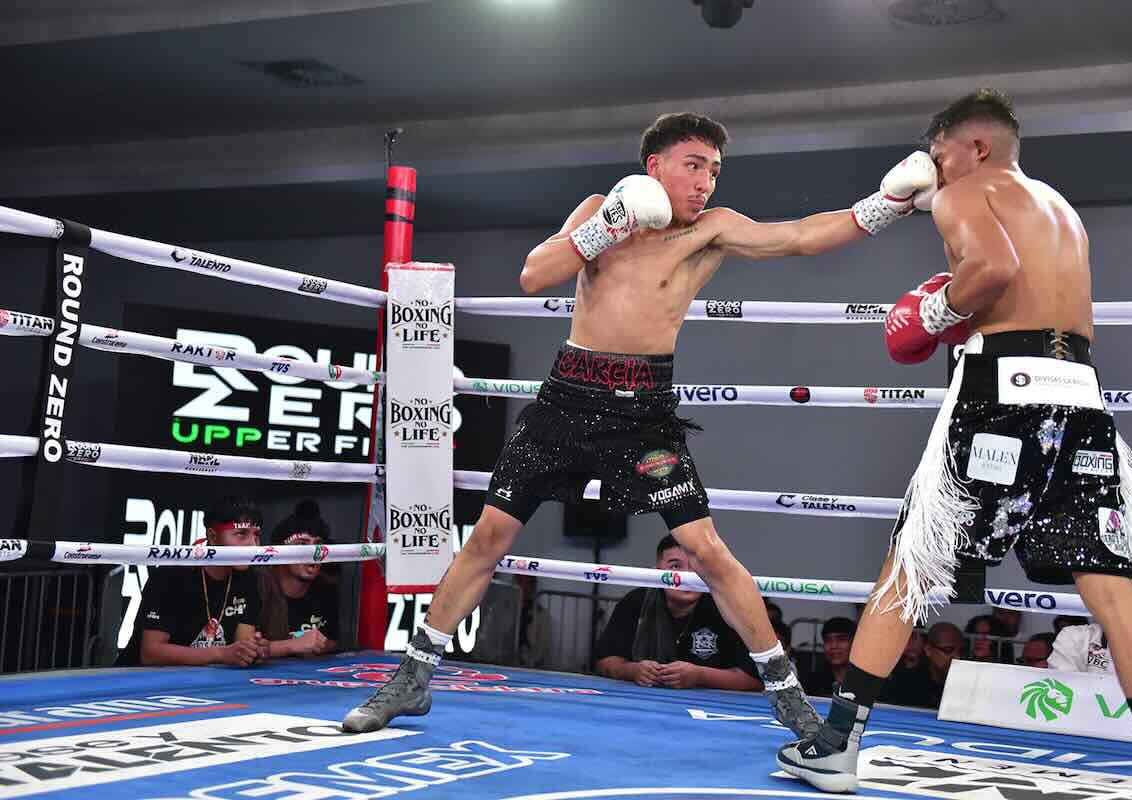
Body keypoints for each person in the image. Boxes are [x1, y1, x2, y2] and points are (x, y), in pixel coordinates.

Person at [342, 111, 937, 735]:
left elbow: (797, 237)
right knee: (489, 535)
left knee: (705, 549)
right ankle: (412, 679)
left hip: (643, 413)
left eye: (713, 169)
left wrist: (884, 205)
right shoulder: (602, 208)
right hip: (567, 400)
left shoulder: (712, 230)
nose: (705, 181)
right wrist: (605, 227)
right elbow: (533, 274)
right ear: (654, 166)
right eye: (693, 165)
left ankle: (789, 697)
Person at [777, 89, 1132, 800]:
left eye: (939, 155)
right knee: (1115, 593)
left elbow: (992, 270)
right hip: (1082, 402)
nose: (934, 171)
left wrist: (934, 313)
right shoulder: (1058, 208)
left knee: (909, 567)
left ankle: (837, 745)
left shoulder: (967, 192)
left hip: (1004, 392)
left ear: (974, 147)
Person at [594, 535, 761, 691]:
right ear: (657, 571)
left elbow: (755, 679)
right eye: (675, 566)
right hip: (645, 704)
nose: (687, 577)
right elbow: (604, 662)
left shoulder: (726, 607)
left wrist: (700, 675)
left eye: (696, 567)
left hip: (712, 708)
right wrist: (631, 670)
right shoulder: (635, 601)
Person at [117, 496, 268, 667]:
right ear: (213, 536)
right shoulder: (171, 575)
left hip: (204, 682)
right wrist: (220, 653)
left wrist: (253, 651)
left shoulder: (248, 577)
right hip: (140, 680)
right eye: (241, 534)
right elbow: (151, 653)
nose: (253, 545)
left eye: (256, 535)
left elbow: (242, 646)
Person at [258, 500, 340, 657]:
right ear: (280, 551)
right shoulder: (259, 585)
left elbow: (333, 640)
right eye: (302, 544)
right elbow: (244, 649)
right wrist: (292, 645)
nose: (313, 553)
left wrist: (317, 644)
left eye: (318, 544)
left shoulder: (325, 588)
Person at [879, 622, 963, 709]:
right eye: (948, 650)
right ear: (928, 650)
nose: (957, 656)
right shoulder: (907, 685)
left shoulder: (963, 682)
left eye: (961, 650)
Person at [797, 618, 856, 697]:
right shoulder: (812, 682)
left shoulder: (868, 683)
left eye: (842, 639)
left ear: (854, 643)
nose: (833, 646)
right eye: (828, 640)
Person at [513, 573, 554, 668]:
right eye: (519, 582)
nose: (523, 587)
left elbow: (542, 648)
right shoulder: (500, 609)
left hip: (528, 666)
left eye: (528, 584)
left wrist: (528, 663)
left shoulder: (541, 616)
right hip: (499, 662)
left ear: (532, 587)